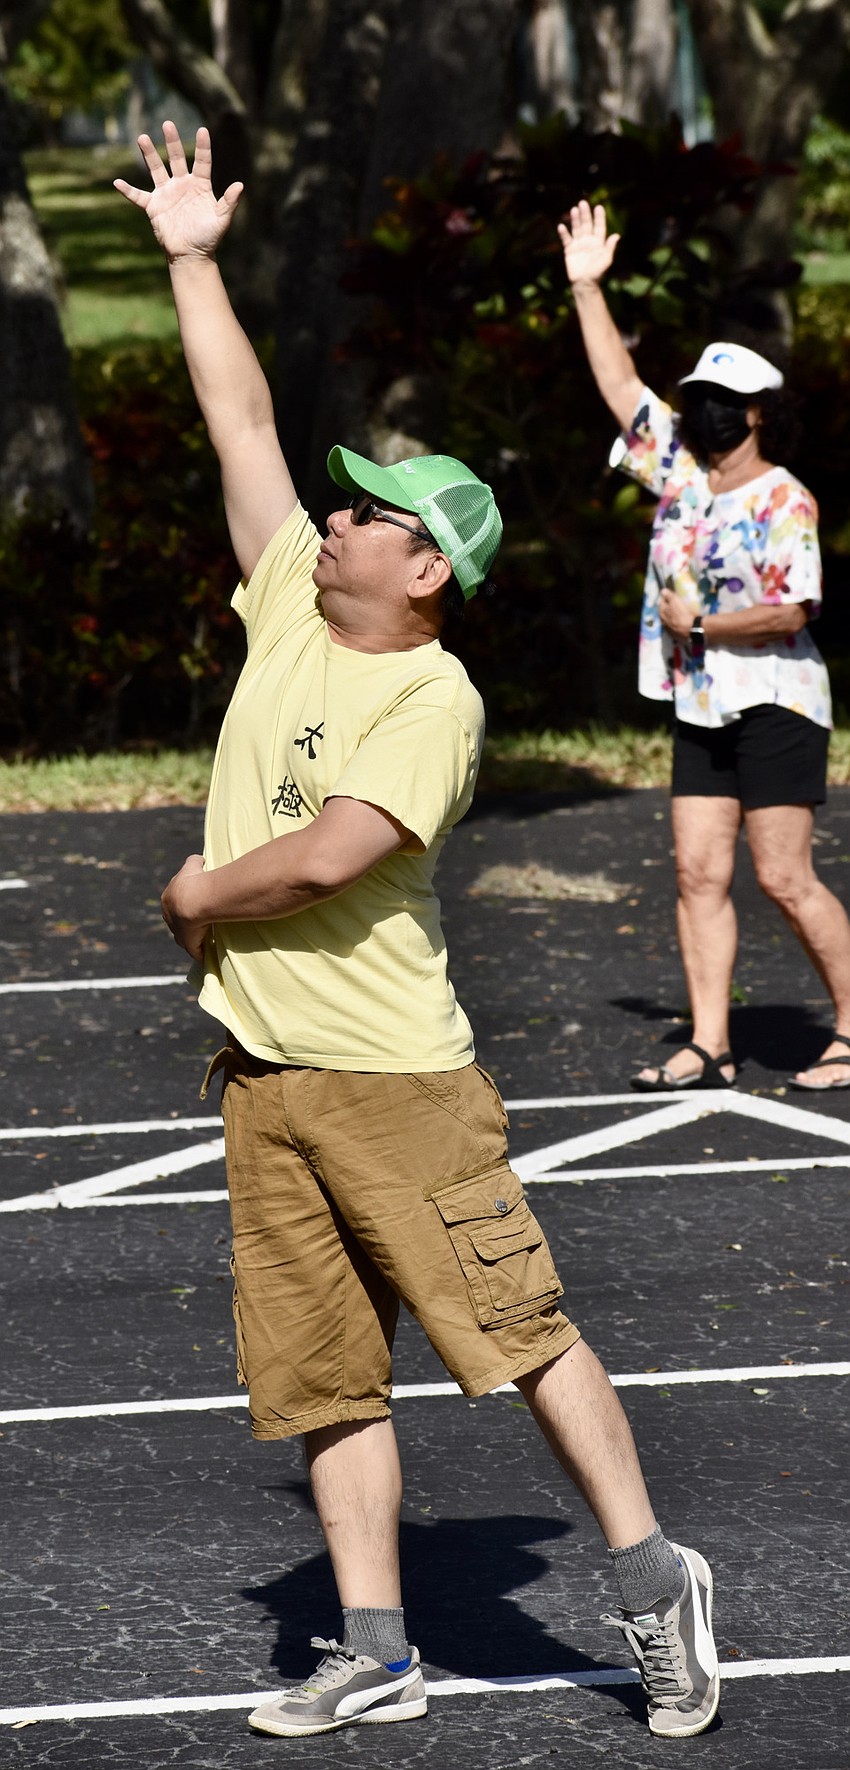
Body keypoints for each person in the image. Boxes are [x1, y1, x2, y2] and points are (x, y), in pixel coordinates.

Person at [115, 124, 719, 1742]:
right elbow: (236, 415)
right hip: (267, 1074)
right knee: (323, 1381)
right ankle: (375, 1648)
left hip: (395, 1081)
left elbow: (334, 855)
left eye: (371, 516)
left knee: (519, 1335)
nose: (338, 517)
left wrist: (193, 895)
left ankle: (655, 1580)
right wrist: (191, 261)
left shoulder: (427, 694)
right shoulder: (285, 599)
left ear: (428, 570)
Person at [559, 199, 850, 1095]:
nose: (707, 413)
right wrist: (584, 287)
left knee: (783, 876)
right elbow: (617, 386)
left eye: (725, 404)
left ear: (760, 413)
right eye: (699, 401)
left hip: (776, 702)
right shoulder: (681, 472)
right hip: (701, 703)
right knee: (696, 872)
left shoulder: (784, 500)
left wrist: (702, 627)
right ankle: (711, 1042)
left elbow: (794, 611)